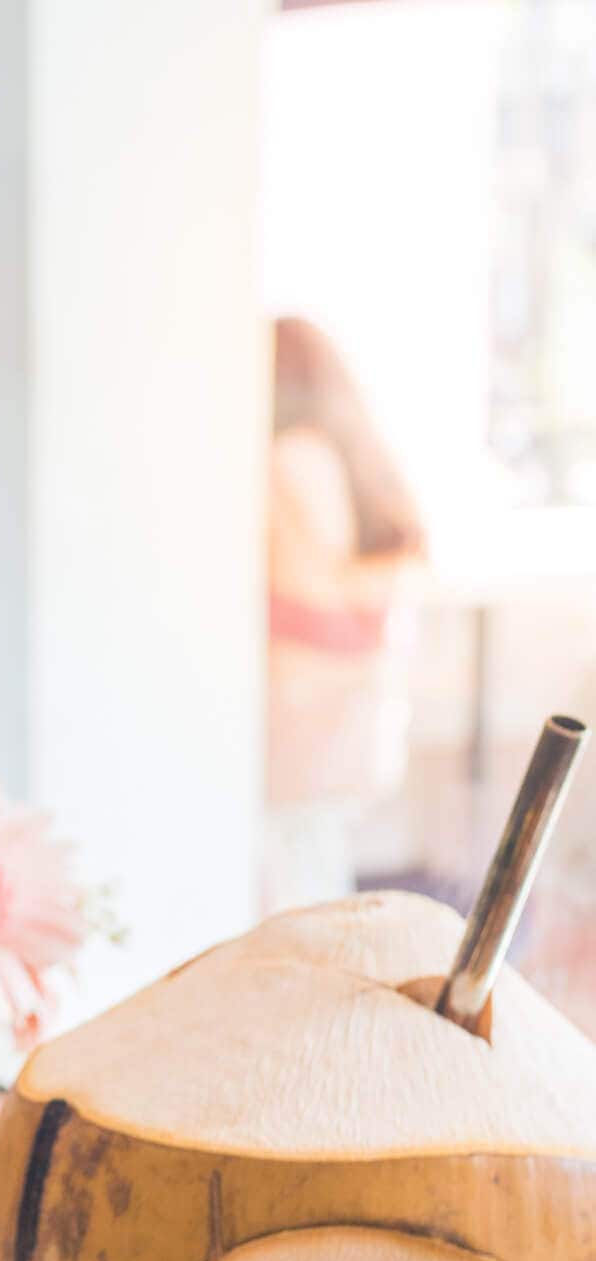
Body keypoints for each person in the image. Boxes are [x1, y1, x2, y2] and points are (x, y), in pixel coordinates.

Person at [265, 317, 425, 908]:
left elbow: (317, 608)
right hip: (348, 718)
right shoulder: (344, 453)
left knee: (294, 892)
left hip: (303, 722)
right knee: (314, 873)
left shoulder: (291, 458)